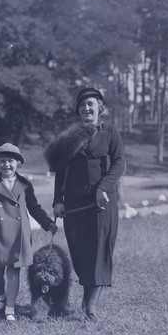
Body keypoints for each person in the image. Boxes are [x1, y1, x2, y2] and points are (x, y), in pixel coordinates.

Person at [44, 88, 125, 322]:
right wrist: (58, 201)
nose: (86, 108)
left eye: (91, 104)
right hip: (74, 202)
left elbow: (119, 164)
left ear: (100, 107)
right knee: (80, 253)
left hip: (102, 202)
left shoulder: (110, 132)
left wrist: (102, 188)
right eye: (82, 105)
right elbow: (61, 170)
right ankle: (87, 297)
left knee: (99, 251)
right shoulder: (70, 136)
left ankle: (90, 306)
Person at [0, 143, 58, 322]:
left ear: (18, 163)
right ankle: (2, 296)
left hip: (19, 235)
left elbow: (35, 208)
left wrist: (47, 223)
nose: (6, 165)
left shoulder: (25, 185)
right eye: (2, 161)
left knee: (14, 272)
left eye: (10, 161)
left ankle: (10, 309)